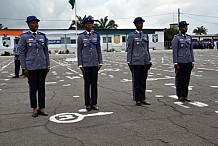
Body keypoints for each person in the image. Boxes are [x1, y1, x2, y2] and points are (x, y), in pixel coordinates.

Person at [19, 16, 50, 117]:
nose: (35, 25)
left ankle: (42, 108)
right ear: (28, 24)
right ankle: (34, 109)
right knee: (33, 88)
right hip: (31, 67)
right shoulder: (24, 37)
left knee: (42, 88)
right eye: (33, 23)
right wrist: (24, 67)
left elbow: (46, 52)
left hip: (42, 66)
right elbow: (22, 53)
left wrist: (48, 64)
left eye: (36, 23)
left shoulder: (42, 36)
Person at [77, 16, 103, 111]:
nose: (89, 25)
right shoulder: (81, 36)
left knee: (94, 84)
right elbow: (79, 51)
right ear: (84, 25)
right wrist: (80, 64)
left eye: (91, 23)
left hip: (95, 63)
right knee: (87, 85)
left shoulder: (96, 35)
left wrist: (100, 62)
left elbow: (98, 49)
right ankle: (87, 104)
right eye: (87, 23)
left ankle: (94, 103)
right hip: (86, 64)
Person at [126, 17, 152, 106]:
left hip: (145, 61)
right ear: (135, 24)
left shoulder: (145, 35)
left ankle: (143, 98)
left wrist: (149, 59)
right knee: (136, 81)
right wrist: (129, 61)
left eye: (142, 23)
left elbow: (147, 49)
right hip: (136, 61)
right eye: (139, 23)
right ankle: (137, 99)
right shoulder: (132, 35)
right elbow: (129, 49)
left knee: (143, 81)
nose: (141, 25)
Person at [172, 21, 195, 102]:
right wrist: (175, 63)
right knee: (179, 79)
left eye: (186, 27)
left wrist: (192, 61)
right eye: (184, 27)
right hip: (180, 62)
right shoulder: (176, 38)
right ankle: (180, 95)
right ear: (180, 28)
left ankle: (185, 95)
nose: (185, 28)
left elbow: (191, 50)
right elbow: (175, 51)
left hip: (188, 61)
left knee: (186, 79)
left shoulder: (189, 37)